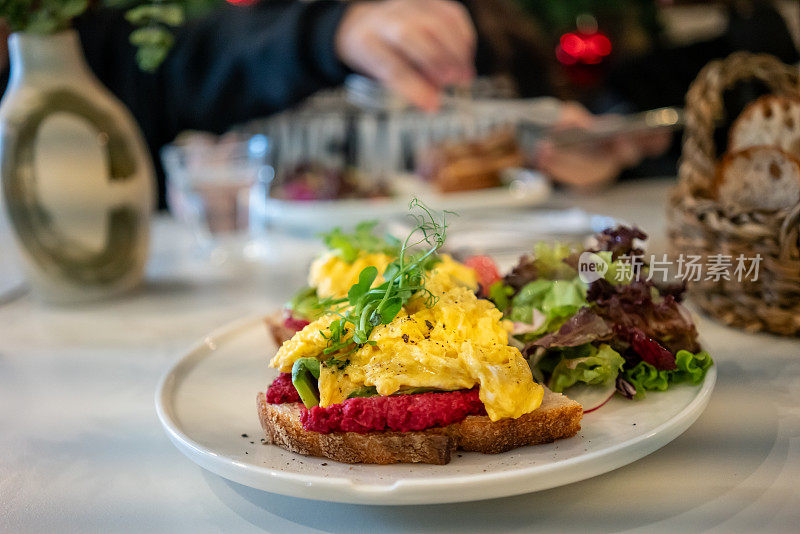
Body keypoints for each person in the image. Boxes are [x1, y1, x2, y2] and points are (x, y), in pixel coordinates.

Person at [0, 0, 672, 206]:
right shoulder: (236, 48)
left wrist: (584, 166)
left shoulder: (497, 33)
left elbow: (546, 156)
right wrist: (333, 30)